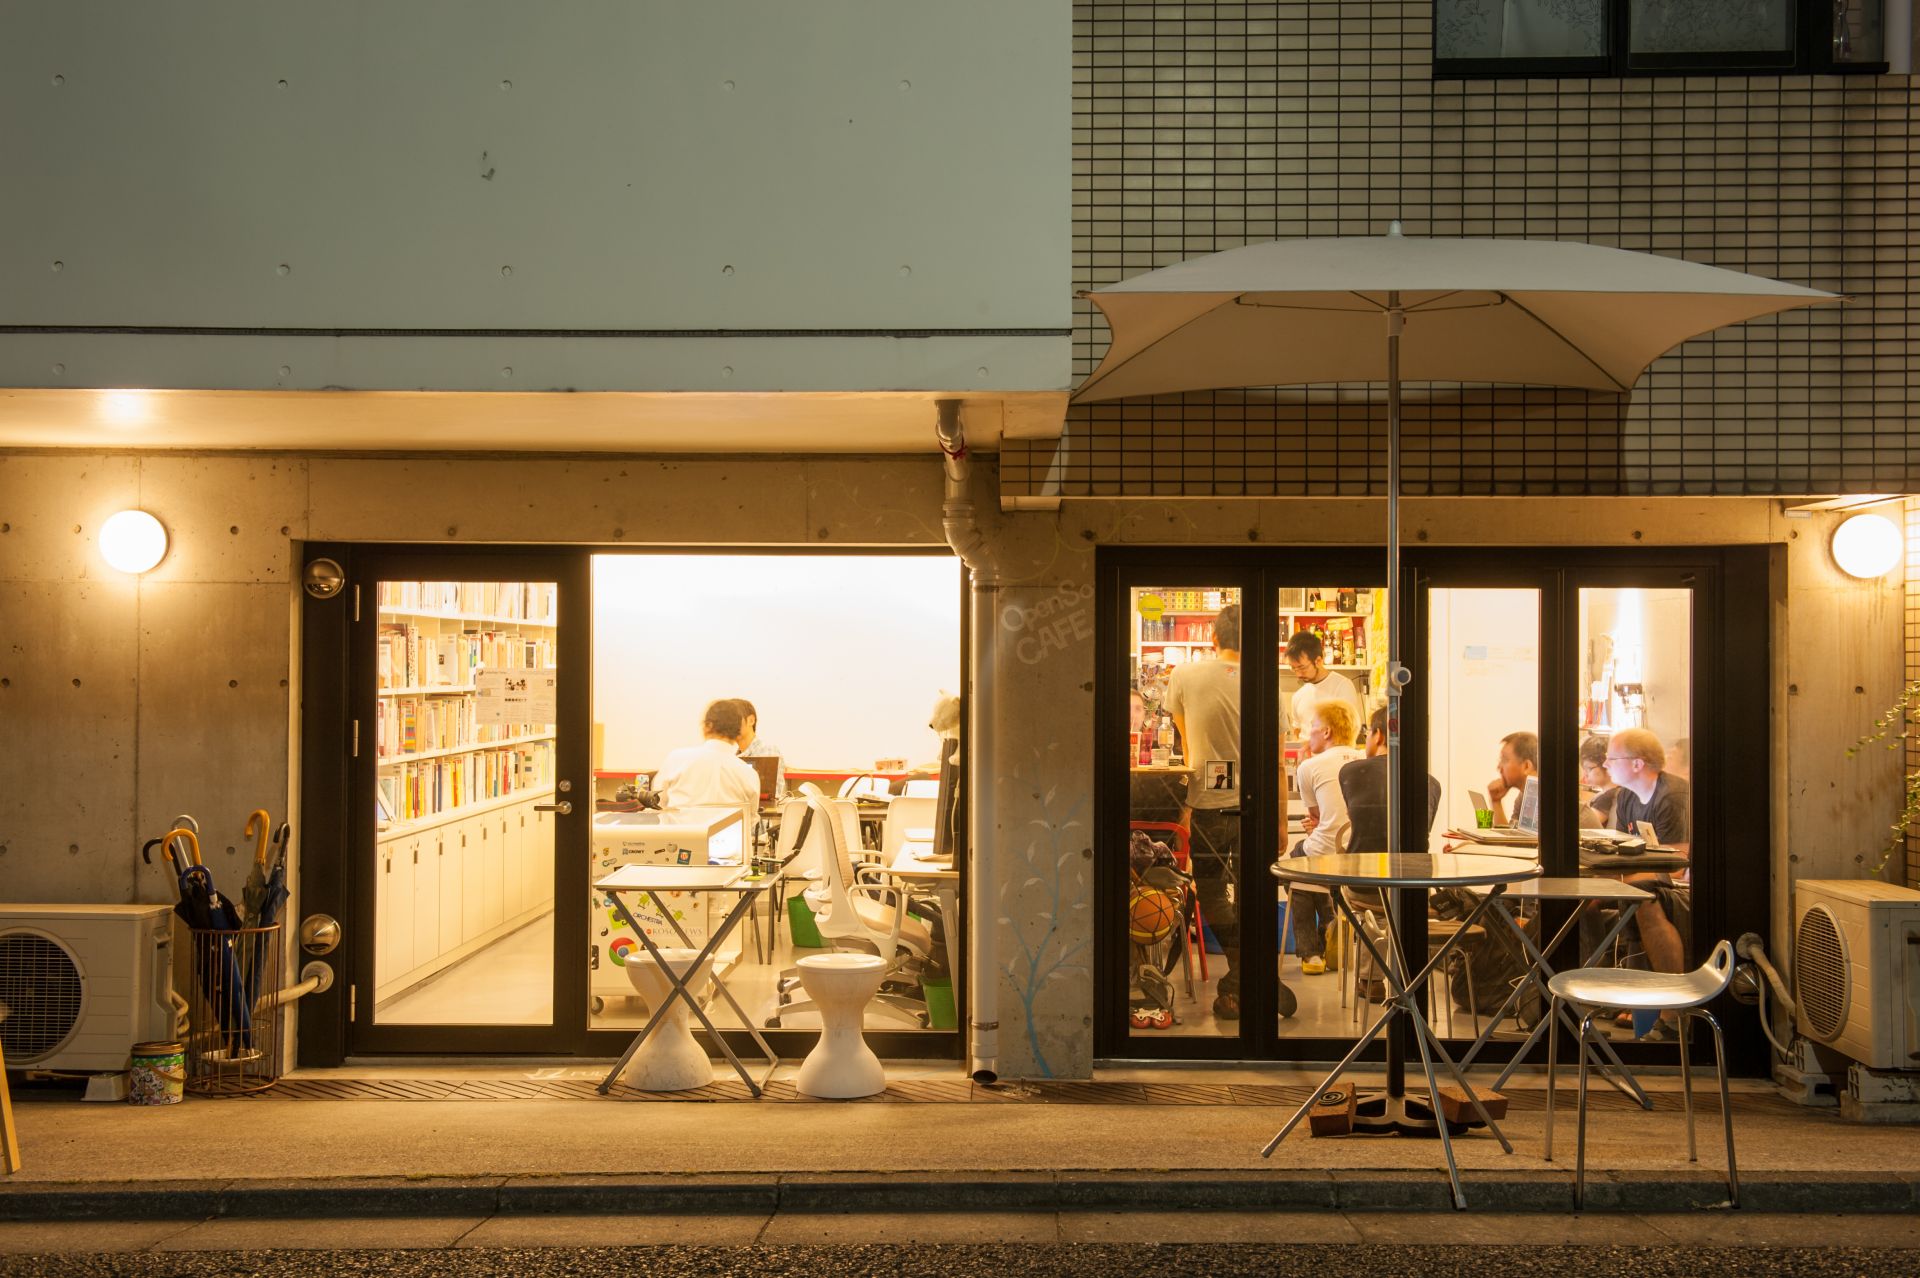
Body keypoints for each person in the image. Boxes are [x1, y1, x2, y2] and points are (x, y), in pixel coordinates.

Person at [1165, 602, 1280, 1024]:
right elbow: (1277, 759)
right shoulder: (1267, 681)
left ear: (1213, 638)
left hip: (1209, 807)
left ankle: (1240, 974)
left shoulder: (1184, 675)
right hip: (1257, 807)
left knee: (1211, 894)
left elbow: (1185, 741)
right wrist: (1281, 820)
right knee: (1254, 891)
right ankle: (1247, 972)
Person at [1334, 705, 1441, 1001]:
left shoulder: (1351, 772)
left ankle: (1370, 976)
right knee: (1393, 894)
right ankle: (1408, 973)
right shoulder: (1431, 783)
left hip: (1362, 884)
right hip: (1416, 886)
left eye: (1368, 733)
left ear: (1378, 734)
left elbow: (1359, 820)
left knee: (1375, 902)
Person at [1605, 727, 1693, 1010]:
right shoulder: (1627, 797)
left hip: (1681, 885)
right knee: (1588, 899)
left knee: (1640, 896)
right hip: (1645, 877)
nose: (1606, 765)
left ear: (1637, 763)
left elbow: (1677, 866)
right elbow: (1622, 848)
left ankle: (1670, 1007)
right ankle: (1605, 995)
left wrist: (1620, 878)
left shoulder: (1673, 796)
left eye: (1611, 759)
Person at [1288, 701, 1364, 975]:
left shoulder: (1310, 766)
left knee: (1297, 865)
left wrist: (1304, 764)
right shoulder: (1364, 759)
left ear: (1328, 731)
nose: (1309, 733)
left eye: (1313, 727)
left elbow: (1317, 816)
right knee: (1314, 869)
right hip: (1360, 857)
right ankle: (1332, 932)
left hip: (1328, 853)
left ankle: (1311, 952)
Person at [650, 699, 761, 824]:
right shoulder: (749, 773)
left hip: (680, 840)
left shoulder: (677, 759)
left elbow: (657, 804)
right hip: (728, 842)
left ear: (707, 726)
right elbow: (750, 820)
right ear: (738, 733)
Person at [1285, 631, 1362, 741]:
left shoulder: (1342, 686)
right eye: (1293, 668)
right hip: (1306, 758)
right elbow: (1297, 730)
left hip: (1333, 757)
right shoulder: (1298, 695)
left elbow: (1350, 731)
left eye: (1302, 668)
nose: (1298, 674)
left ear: (1318, 661)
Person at [729, 697, 785, 798]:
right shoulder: (733, 756)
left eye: (734, 719)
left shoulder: (767, 750)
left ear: (751, 720)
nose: (729, 725)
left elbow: (768, 796)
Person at [1486, 731, 1539, 827]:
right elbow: (1510, 839)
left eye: (1505, 760)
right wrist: (1496, 801)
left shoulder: (1542, 796)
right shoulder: (1523, 796)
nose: (1499, 767)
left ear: (1526, 766)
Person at [1578, 734, 1618, 829]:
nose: (1585, 774)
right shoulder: (1603, 795)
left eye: (1589, 768)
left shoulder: (1609, 797)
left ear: (1605, 764)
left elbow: (1585, 823)